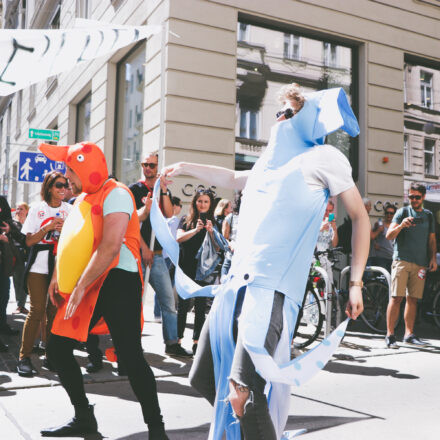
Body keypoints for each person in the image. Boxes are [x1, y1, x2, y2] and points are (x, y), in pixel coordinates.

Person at [157, 84, 370, 439]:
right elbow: (230, 178)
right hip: (234, 285)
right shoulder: (268, 164)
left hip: (272, 290)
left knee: (242, 391)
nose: (277, 119)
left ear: (304, 117)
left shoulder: (324, 157)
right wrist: (185, 167)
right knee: (204, 377)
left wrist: (356, 283)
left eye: (285, 112)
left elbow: (361, 218)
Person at [37, 142, 168, 439]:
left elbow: (110, 247)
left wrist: (80, 286)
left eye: (70, 169)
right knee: (57, 348)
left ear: (86, 165)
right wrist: (59, 277)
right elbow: (73, 241)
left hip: (118, 280)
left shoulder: (118, 193)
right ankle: (84, 417)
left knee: (131, 357)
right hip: (91, 279)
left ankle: (157, 430)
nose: (66, 176)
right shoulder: (83, 198)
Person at [129, 153, 191, 358]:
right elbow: (130, 221)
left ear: (157, 167)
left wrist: (163, 189)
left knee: (167, 301)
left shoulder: (160, 189)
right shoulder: (134, 189)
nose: (148, 168)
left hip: (156, 256)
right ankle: (131, 344)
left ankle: (172, 342)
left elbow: (168, 214)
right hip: (137, 254)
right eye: (145, 164)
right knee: (133, 301)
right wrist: (143, 247)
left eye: (152, 165)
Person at [16, 171, 72, 377]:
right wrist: (47, 228)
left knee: (54, 312)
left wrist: (65, 230)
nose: (63, 189)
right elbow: (28, 242)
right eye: (59, 185)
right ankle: (24, 357)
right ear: (49, 187)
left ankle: (51, 356)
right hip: (38, 267)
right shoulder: (38, 209)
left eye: (65, 185)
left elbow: (74, 238)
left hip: (59, 267)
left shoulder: (70, 209)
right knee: (37, 309)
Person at [385, 183, 436, 349]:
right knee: (396, 298)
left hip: (420, 263)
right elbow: (388, 235)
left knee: (413, 299)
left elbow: (432, 239)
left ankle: (409, 334)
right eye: (411, 196)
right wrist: (401, 225)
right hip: (402, 260)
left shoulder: (428, 215)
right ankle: (390, 335)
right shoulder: (402, 212)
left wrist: (433, 258)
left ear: (423, 197)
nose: (413, 200)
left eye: (417, 197)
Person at [176, 189, 217, 354]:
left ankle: (196, 342)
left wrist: (212, 232)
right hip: (186, 268)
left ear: (210, 204)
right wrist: (195, 230)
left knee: (200, 308)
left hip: (203, 270)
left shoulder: (213, 221)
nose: (203, 204)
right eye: (200, 201)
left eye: (206, 201)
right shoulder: (185, 220)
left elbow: (217, 247)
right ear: (195, 202)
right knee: (183, 306)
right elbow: (178, 238)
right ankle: (177, 341)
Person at [12, 202, 30, 315]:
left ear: (27, 211)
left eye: (21, 209)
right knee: (18, 280)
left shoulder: (29, 223)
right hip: (16, 255)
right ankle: (20, 305)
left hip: (28, 256)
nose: (19, 211)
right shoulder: (13, 224)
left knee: (25, 281)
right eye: (18, 209)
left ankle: (22, 304)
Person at [315, 200, 338, 285]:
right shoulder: (316, 221)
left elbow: (335, 244)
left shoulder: (331, 224)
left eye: (330, 211)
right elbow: (309, 240)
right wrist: (321, 230)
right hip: (315, 258)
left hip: (326, 258)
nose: (327, 213)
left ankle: (328, 297)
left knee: (329, 284)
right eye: (326, 210)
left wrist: (335, 229)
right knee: (316, 284)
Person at [369, 203, 396, 274]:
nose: (389, 215)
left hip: (392, 257)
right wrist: (375, 243)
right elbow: (372, 236)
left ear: (394, 214)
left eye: (391, 213)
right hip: (380, 258)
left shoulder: (396, 226)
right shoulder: (379, 224)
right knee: (380, 280)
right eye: (387, 213)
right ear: (385, 213)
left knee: (390, 280)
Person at [221, 192, 241, 280]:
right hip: (230, 258)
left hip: (246, 261)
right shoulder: (231, 217)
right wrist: (231, 244)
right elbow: (224, 239)